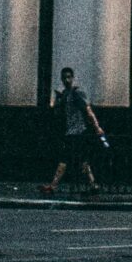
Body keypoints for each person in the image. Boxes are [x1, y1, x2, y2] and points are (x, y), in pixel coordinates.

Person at [43, 66, 106, 195]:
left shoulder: (77, 93)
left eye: (69, 77)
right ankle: (93, 184)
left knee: (65, 159)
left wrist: (97, 127)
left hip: (77, 132)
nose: (66, 80)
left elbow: (88, 111)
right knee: (82, 159)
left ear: (72, 78)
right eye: (64, 78)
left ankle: (53, 185)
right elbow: (57, 112)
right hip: (72, 132)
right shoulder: (65, 95)